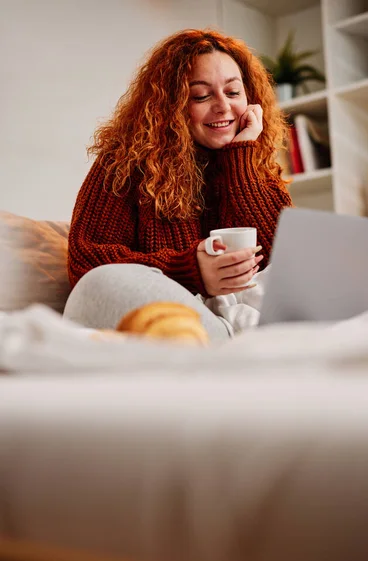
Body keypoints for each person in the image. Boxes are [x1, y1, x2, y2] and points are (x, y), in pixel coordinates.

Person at [64, 29, 293, 340]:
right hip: (183, 318)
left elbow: (286, 260)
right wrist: (190, 270)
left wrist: (240, 157)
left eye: (233, 92)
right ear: (171, 105)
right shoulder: (124, 163)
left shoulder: (255, 164)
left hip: (252, 324)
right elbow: (85, 260)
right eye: (201, 95)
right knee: (98, 286)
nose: (223, 106)